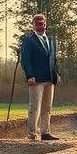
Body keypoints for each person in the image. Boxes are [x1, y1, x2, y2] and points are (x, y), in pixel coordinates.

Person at [20, 13, 60, 141]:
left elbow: (54, 59)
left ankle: (45, 132)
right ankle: (32, 134)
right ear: (33, 25)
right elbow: (25, 60)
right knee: (34, 108)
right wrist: (29, 75)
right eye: (37, 24)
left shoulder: (51, 40)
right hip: (36, 79)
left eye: (42, 23)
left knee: (47, 107)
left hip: (49, 79)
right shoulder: (28, 40)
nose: (40, 26)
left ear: (45, 24)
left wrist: (56, 74)